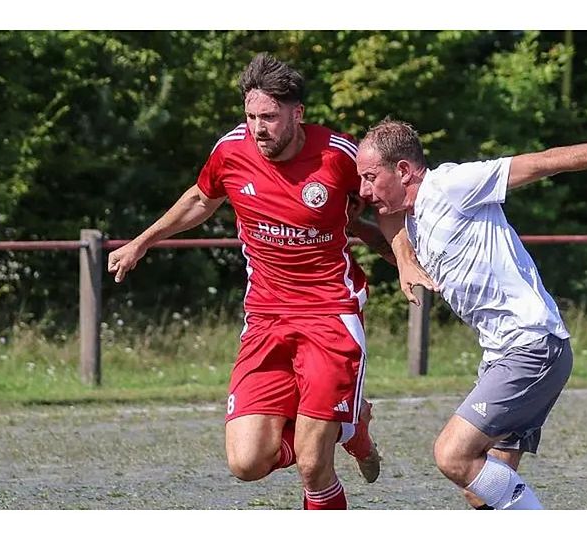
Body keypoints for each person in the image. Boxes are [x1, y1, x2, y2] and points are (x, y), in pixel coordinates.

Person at [107, 54, 428, 510]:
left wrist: (404, 258)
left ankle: (335, 431)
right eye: (251, 116)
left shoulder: (339, 156)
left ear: (297, 114)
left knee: (314, 467)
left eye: (270, 117)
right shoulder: (231, 152)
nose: (259, 128)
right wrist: (142, 242)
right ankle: (349, 422)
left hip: (329, 314)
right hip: (264, 316)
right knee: (246, 462)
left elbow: (385, 205)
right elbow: (202, 197)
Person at [357, 119, 587, 509]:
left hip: (532, 346)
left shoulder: (451, 186)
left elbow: (544, 162)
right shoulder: (415, 220)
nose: (363, 189)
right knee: (481, 490)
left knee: (452, 455)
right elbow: (389, 227)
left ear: (404, 170)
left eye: (370, 177)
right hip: (504, 353)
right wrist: (376, 240)